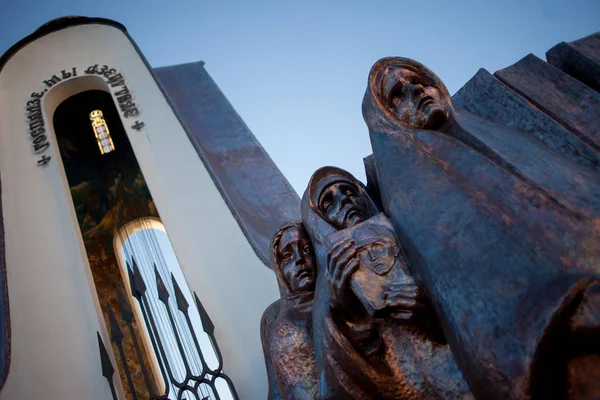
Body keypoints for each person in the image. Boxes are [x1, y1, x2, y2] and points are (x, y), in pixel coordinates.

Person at [362, 56, 600, 399]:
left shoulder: (505, 137)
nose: (415, 90)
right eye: (398, 95)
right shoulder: (417, 198)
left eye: (418, 81)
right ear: (388, 119)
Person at [301, 166, 472, 399]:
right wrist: (351, 319)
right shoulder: (329, 286)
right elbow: (335, 381)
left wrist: (432, 309)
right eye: (329, 203)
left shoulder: (410, 231)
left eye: (348, 191)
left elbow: (466, 291)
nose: (344, 201)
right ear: (320, 222)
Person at [260, 222, 319, 400]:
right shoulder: (274, 315)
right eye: (287, 255)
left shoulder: (336, 295)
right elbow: (276, 387)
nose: (299, 259)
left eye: (307, 250)